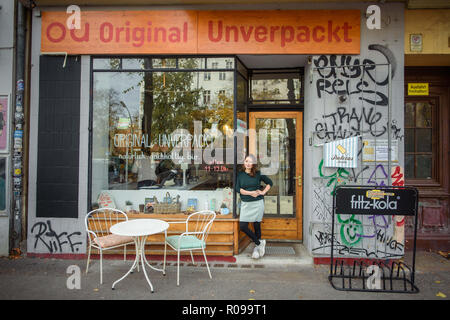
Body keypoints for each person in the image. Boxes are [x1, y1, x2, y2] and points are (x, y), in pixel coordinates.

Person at [235, 154, 273, 259]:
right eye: (246, 161)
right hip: (246, 203)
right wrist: (250, 193)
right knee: (243, 226)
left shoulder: (258, 174)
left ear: (253, 164)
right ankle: (259, 243)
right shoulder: (240, 174)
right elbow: (238, 189)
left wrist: (263, 192)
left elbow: (270, 183)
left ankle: (257, 249)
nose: (248, 163)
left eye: (250, 161)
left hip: (257, 203)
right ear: (244, 162)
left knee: (257, 225)